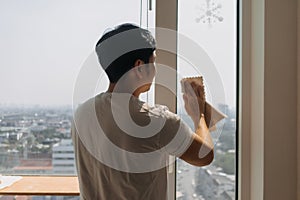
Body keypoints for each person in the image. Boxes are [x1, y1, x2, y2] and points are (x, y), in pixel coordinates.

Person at [71, 23, 214, 200]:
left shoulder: (82, 114)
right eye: (153, 62)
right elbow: (204, 155)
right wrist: (198, 115)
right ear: (139, 67)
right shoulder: (155, 120)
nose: (155, 70)